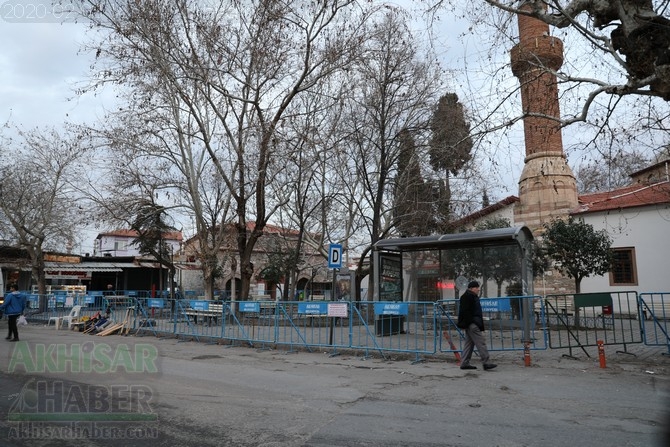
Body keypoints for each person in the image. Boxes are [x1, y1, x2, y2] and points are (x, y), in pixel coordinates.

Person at [457, 280, 496, 371]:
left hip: (471, 323)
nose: (478, 289)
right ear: (471, 288)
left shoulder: (470, 296)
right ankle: (486, 362)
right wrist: (471, 322)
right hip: (472, 324)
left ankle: (464, 363)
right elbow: (466, 312)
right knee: (480, 342)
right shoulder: (468, 297)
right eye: (476, 287)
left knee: (469, 344)